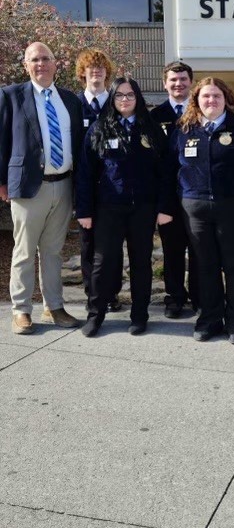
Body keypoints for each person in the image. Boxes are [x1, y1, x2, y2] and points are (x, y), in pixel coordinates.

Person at [162, 77, 234, 345]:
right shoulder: (184, 130)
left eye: (217, 96)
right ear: (196, 100)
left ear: (226, 99)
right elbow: (169, 171)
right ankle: (209, 319)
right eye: (206, 96)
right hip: (194, 210)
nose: (211, 101)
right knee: (205, 266)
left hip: (233, 208)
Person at [0, 42, 83, 334]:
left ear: (56, 63)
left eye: (46, 58)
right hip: (27, 187)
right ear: (26, 65)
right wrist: (2, 182)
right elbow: (1, 142)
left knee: (53, 251)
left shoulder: (70, 100)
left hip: (63, 186)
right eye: (34, 59)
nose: (41, 64)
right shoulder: (10, 96)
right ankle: (21, 310)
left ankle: (54, 307)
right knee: (23, 251)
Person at [76, 77, 167, 337]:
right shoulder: (99, 128)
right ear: (112, 99)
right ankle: (96, 315)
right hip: (108, 208)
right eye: (119, 95)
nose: (124, 100)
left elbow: (165, 172)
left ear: (138, 98)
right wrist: (84, 210)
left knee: (141, 262)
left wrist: (163, 207)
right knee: (103, 263)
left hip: (143, 208)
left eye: (130, 95)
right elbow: (85, 172)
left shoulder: (151, 129)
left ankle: (139, 316)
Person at [75, 48, 123, 313]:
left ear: (107, 73)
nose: (96, 72)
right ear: (83, 73)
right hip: (83, 187)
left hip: (113, 188)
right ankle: (92, 292)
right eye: (91, 68)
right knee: (87, 243)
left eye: (101, 68)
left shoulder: (117, 104)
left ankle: (112, 292)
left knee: (112, 242)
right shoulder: (74, 105)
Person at [150, 61, 199, 318]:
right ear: (164, 83)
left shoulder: (202, 112)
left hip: (197, 195)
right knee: (172, 251)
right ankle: (175, 297)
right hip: (168, 197)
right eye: (173, 80)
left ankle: (200, 296)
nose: (178, 84)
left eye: (183, 79)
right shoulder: (154, 117)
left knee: (201, 250)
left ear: (191, 82)